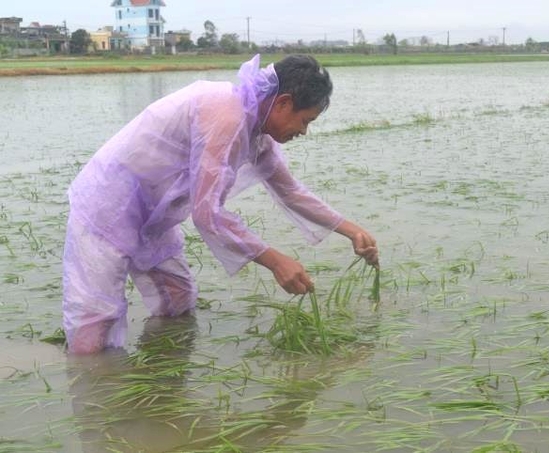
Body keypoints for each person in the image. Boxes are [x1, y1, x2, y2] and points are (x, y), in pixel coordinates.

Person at [62, 54, 379, 354]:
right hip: (108, 207)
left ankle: (161, 382)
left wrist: (352, 231)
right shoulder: (227, 114)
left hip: (153, 216)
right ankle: (91, 388)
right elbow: (207, 213)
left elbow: (291, 191)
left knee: (177, 298)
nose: (303, 131)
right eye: (304, 120)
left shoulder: (257, 131)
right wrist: (276, 261)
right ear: (283, 103)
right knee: (97, 319)